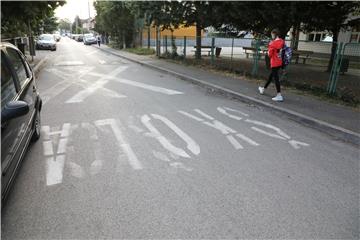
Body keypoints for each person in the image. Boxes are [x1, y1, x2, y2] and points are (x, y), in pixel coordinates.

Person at [258, 28, 285, 102]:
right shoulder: (282, 41)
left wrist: (267, 51)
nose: (271, 36)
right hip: (279, 61)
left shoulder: (272, 43)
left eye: (272, 35)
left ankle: (279, 95)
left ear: (274, 34)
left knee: (276, 78)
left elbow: (270, 55)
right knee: (271, 76)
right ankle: (263, 89)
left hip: (274, 62)